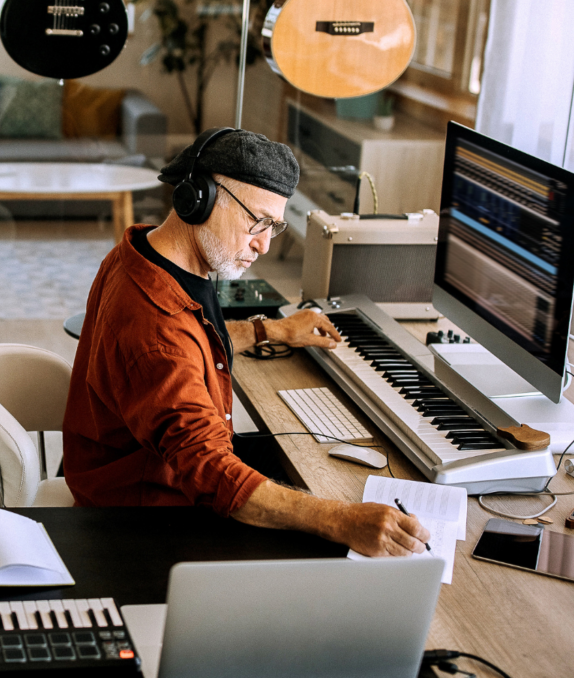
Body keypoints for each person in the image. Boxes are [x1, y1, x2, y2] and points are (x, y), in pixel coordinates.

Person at [62, 128, 431, 558]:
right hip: (147, 517)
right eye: (257, 221)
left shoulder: (144, 252)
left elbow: (193, 343)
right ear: (198, 197)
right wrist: (341, 519)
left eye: (274, 226)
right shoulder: (155, 329)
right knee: (338, 535)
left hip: (149, 475)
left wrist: (270, 330)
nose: (264, 245)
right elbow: (212, 473)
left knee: (308, 461)